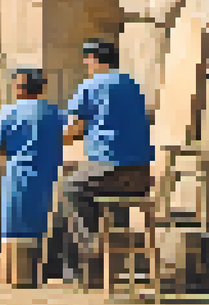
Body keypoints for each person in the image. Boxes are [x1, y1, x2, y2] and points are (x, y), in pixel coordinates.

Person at [44, 40, 155, 286]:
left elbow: (74, 128)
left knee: (67, 189)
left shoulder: (91, 85)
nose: (86, 64)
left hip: (112, 171)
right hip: (140, 174)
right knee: (81, 187)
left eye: (87, 58)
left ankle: (90, 257)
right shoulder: (131, 84)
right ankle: (76, 267)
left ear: (95, 59)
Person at [0, 68, 63, 268]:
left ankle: (14, 272)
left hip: (17, 177)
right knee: (43, 225)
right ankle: (39, 269)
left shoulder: (8, 112)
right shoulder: (55, 113)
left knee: (14, 227)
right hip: (48, 177)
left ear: (18, 88)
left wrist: (8, 163)